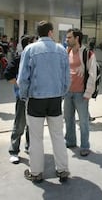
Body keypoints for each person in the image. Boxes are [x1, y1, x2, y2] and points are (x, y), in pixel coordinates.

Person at [18, 21, 70, 183]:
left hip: (36, 99)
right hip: (55, 99)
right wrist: (61, 94)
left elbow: (22, 79)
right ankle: (62, 170)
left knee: (35, 138)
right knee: (57, 136)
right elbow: (66, 78)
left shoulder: (30, 50)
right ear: (50, 32)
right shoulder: (61, 50)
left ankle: (36, 172)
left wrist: (24, 95)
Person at [64, 28, 98, 157]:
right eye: (67, 37)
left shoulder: (88, 54)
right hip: (68, 92)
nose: (67, 40)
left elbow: (92, 74)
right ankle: (70, 141)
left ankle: (84, 146)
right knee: (68, 119)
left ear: (77, 38)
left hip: (81, 94)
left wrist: (88, 93)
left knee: (83, 121)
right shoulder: (67, 51)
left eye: (69, 37)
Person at [4, 35, 36, 164]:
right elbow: (8, 74)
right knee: (19, 124)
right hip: (22, 97)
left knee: (32, 124)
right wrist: (19, 85)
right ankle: (14, 150)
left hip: (34, 97)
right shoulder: (20, 58)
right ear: (28, 44)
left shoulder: (35, 58)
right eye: (34, 42)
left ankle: (29, 146)